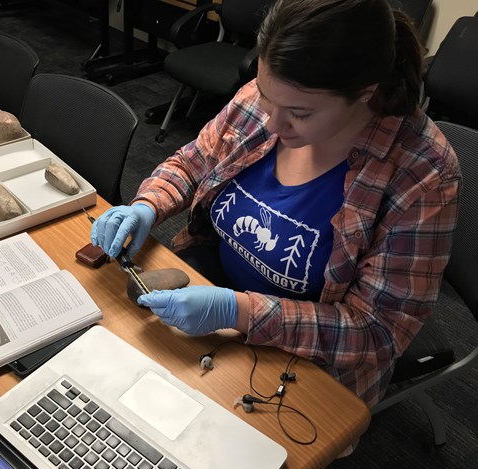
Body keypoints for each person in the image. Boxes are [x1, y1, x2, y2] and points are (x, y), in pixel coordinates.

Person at [91, 0, 461, 412]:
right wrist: (147, 205)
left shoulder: (422, 174)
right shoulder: (268, 97)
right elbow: (193, 162)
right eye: (267, 97)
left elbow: (376, 332)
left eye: (300, 114)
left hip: (304, 356)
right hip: (211, 291)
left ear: (365, 94)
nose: (272, 124)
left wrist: (241, 311)